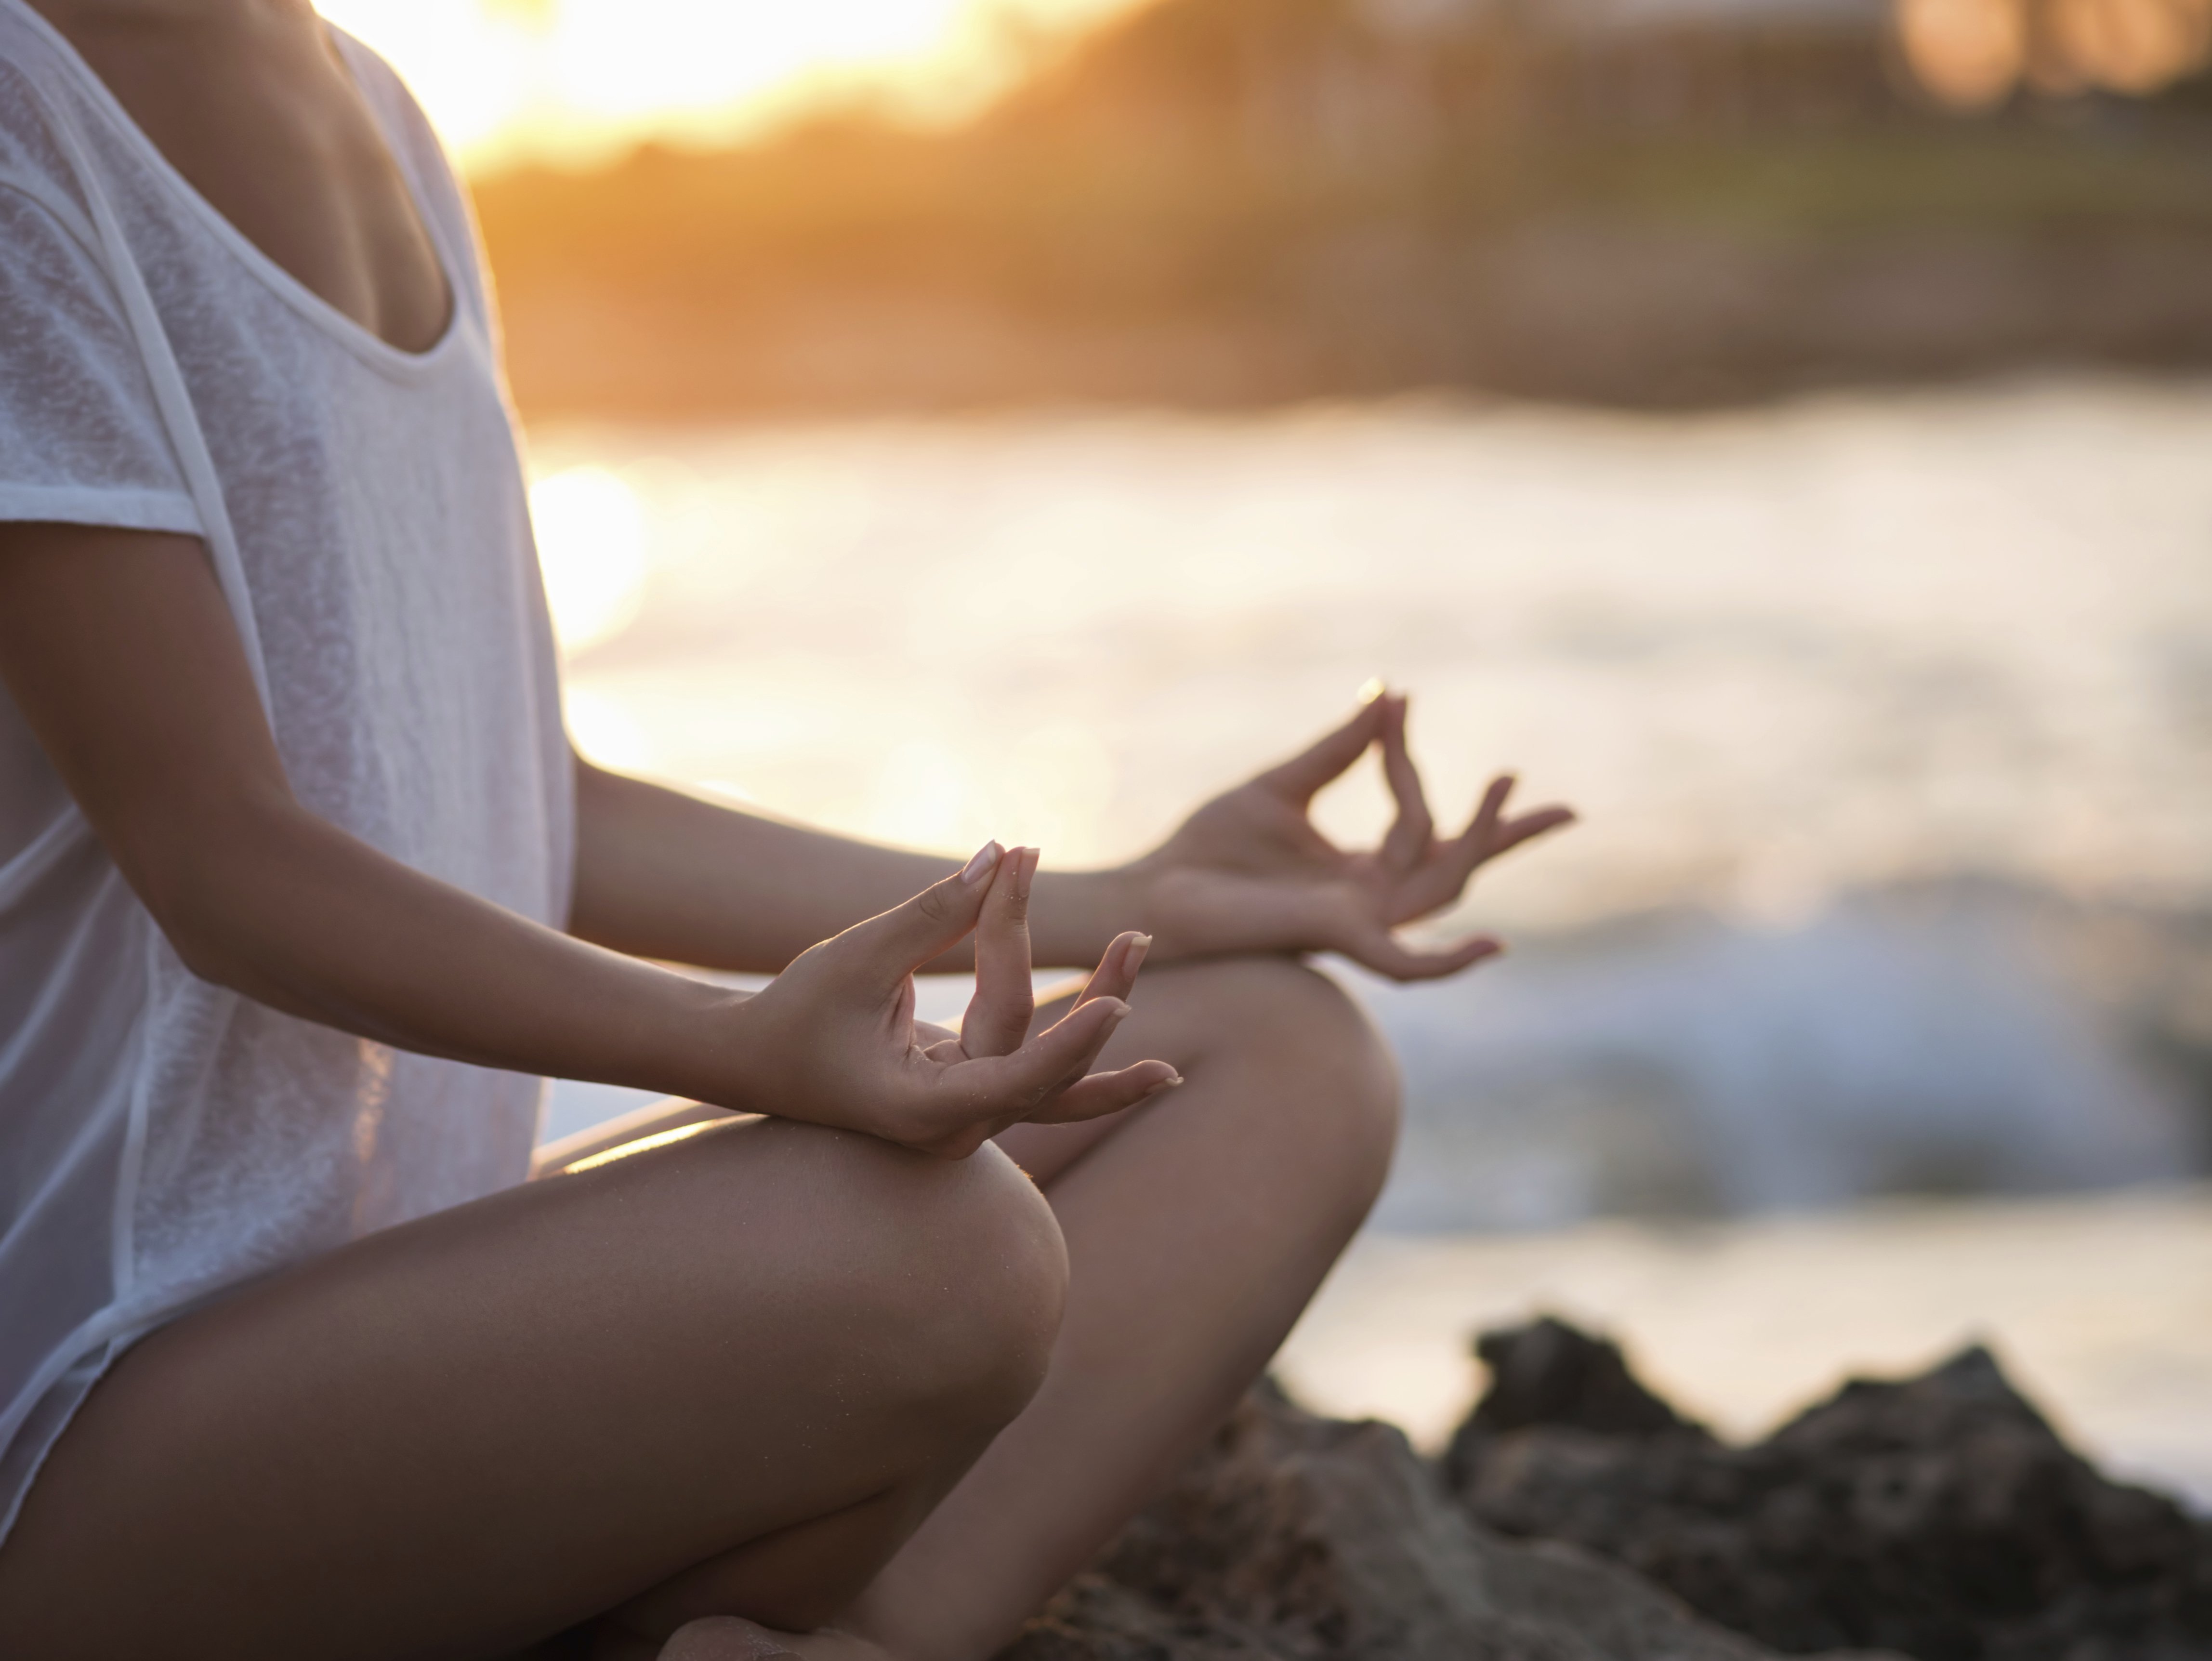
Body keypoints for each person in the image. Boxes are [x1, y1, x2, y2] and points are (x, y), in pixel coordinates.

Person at [0, 1, 1576, 1656]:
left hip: (394, 1325)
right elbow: (228, 872)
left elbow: (547, 805)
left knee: (1268, 1050)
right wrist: (747, 1048)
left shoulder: (380, 110)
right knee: (939, 1257)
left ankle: (834, 1642)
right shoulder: (29, 119)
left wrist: (1135, 899)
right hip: (85, 1434)